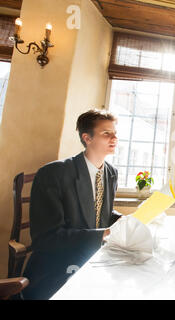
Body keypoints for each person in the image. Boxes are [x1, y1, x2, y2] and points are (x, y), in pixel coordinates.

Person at [22, 109, 122, 299]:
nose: (114, 138)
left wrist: (124, 221)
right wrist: (105, 233)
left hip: (94, 261)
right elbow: (47, 238)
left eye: (115, 133)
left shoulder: (111, 172)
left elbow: (99, 212)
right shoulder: (53, 174)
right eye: (106, 133)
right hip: (58, 269)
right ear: (87, 138)